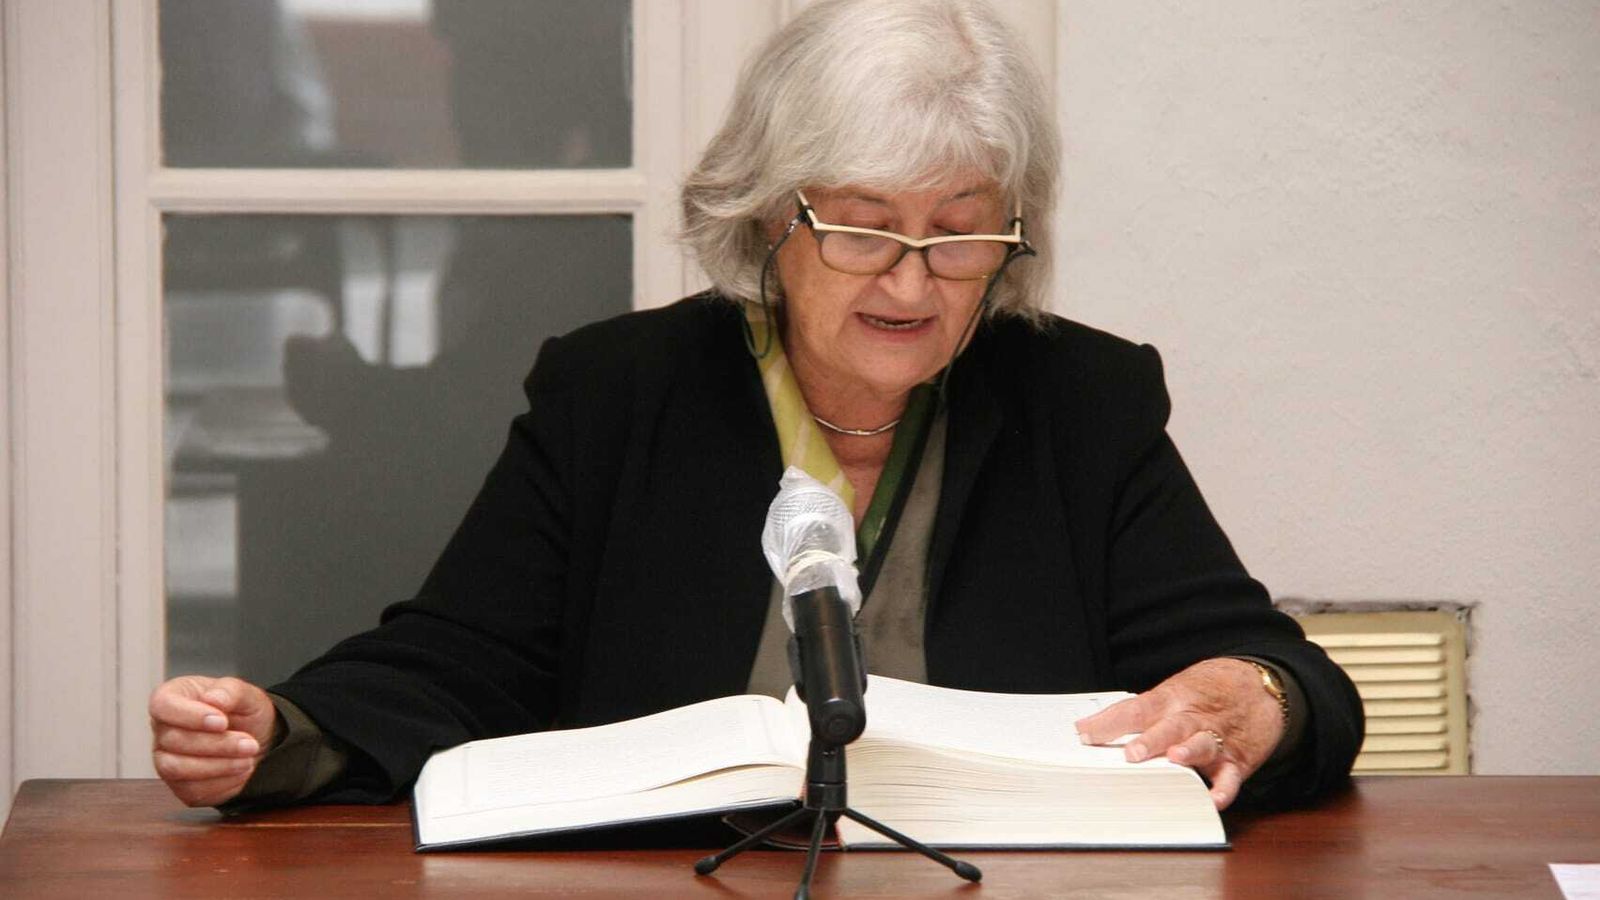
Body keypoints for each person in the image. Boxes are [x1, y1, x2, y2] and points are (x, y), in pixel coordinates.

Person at [148, 0, 1362, 816]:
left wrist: (1256, 697)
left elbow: (1270, 668)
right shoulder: (618, 393)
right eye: (864, 228)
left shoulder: (1076, 400)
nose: (910, 281)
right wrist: (283, 729)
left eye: (958, 236)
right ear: (768, 220)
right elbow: (461, 662)